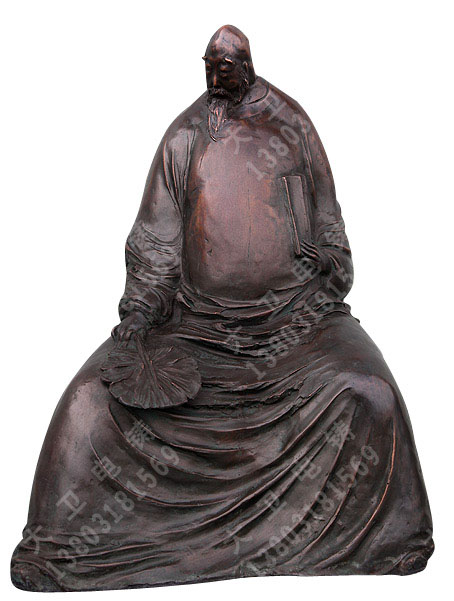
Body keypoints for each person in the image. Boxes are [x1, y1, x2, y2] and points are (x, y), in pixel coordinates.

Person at [11, 25, 433, 592]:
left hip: (298, 325)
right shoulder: (185, 136)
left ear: (247, 66)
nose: (215, 77)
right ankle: (107, 547)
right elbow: (157, 243)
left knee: (369, 394)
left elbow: (332, 233)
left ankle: (355, 539)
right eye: (208, 66)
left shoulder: (292, 126)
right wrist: (139, 315)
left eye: (225, 67)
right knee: (87, 403)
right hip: (194, 329)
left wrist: (327, 262)